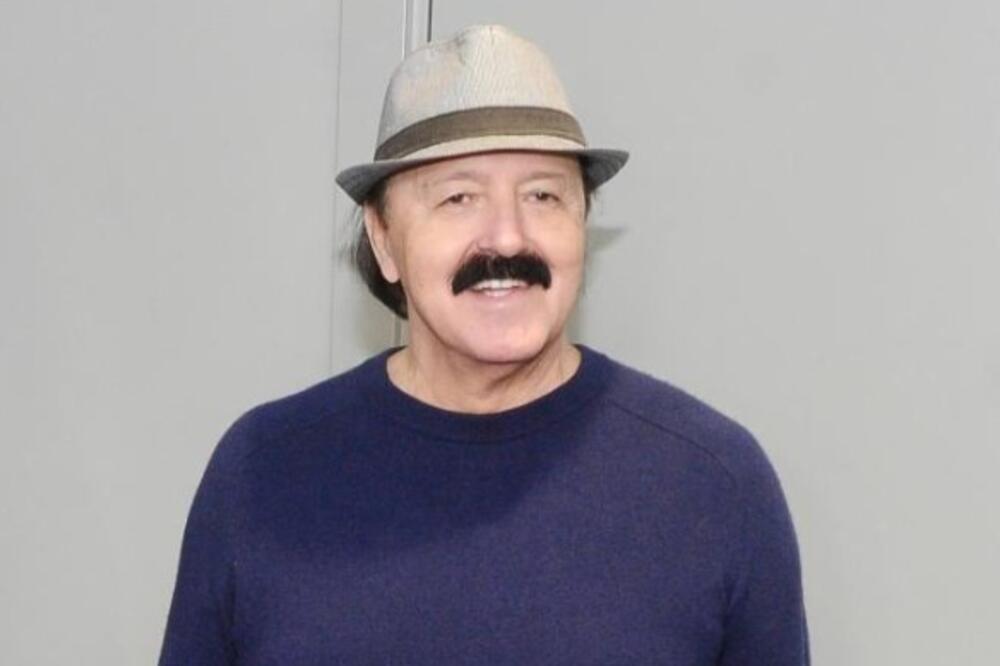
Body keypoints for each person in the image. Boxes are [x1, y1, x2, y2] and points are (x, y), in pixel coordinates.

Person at [159, 24, 809, 665]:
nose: (507, 237)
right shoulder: (264, 474)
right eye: (459, 198)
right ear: (383, 239)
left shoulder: (713, 484)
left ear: (582, 220)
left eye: (543, 195)